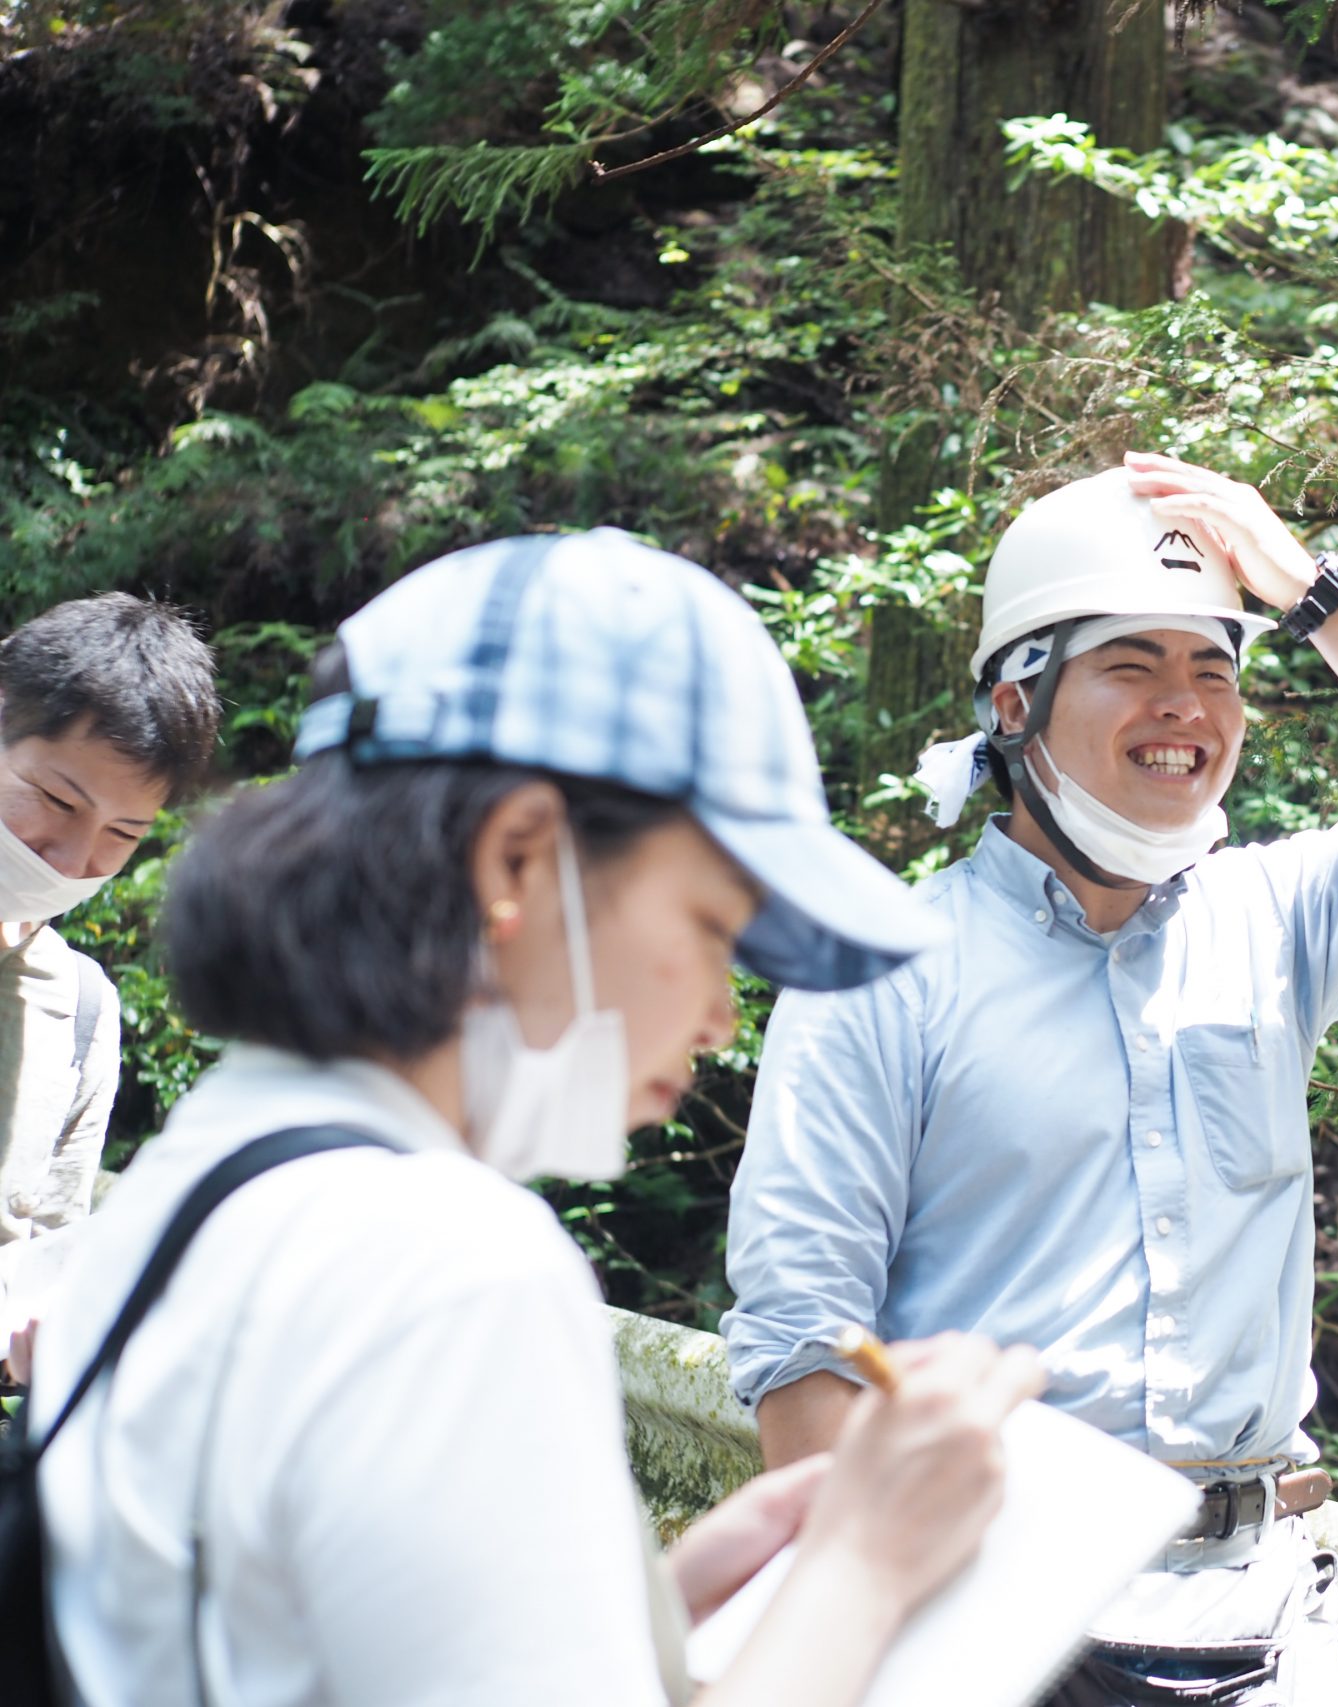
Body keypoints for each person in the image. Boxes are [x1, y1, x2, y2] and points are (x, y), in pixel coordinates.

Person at [30, 531, 1043, 1707]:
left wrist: (651, 1612)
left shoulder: (214, 1174)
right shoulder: (449, 1266)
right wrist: (868, 1564)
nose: (722, 1018)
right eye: (714, 928)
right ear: (518, 858)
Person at [723, 451, 1338, 1703]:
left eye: (1213, 670)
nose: (1187, 707)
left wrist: (1307, 595)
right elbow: (806, 1350)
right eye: (1132, 664)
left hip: (1267, 1619)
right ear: (1014, 704)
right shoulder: (882, 974)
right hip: (997, 1629)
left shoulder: (1272, 920)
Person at [0, 594, 219, 1382]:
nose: (74, 857)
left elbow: (42, 1267)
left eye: (124, 835)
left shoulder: (82, 1013)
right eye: (58, 800)